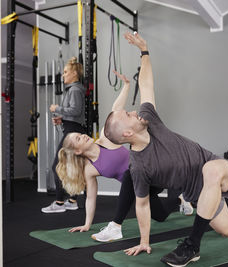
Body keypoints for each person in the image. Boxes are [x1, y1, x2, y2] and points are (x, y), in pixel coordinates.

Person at [103, 32, 228, 266]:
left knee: (211, 171)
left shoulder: (150, 119)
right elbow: (143, 204)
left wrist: (144, 51)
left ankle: (192, 246)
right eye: (128, 115)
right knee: (226, 229)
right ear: (127, 133)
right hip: (197, 193)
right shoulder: (138, 167)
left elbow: (145, 84)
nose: (134, 111)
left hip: (216, 167)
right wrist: (145, 241)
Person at [56, 70, 193, 242]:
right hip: (140, 187)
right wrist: (87, 224)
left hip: (152, 172)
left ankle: (115, 226)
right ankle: (181, 201)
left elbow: (116, 111)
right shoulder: (90, 169)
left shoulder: (105, 138)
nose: (83, 135)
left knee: (130, 172)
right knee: (160, 215)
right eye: (78, 138)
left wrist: (127, 86)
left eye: (80, 134)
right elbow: (91, 198)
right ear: (77, 151)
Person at [41, 57, 87, 213]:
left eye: (66, 72)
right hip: (73, 127)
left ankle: (60, 203)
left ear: (74, 73)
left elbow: (75, 110)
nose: (63, 75)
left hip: (73, 131)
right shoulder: (75, 89)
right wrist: (62, 119)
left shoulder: (74, 89)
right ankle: (72, 200)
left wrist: (57, 108)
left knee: (57, 165)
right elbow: (76, 113)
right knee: (72, 167)